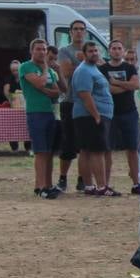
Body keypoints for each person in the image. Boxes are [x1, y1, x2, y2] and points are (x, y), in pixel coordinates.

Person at [71, 41, 116, 196]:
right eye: (90, 51)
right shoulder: (83, 70)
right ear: (84, 54)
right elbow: (85, 94)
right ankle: (101, 186)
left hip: (95, 115)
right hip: (90, 116)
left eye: (96, 50)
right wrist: (96, 115)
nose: (94, 53)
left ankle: (90, 186)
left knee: (87, 150)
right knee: (96, 151)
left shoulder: (93, 69)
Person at [20, 39, 63, 198]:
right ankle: (40, 186)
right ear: (32, 51)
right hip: (35, 112)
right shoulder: (26, 67)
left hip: (50, 112)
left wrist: (44, 88)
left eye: (44, 49)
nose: (42, 52)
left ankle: (48, 184)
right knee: (40, 150)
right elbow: (39, 83)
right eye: (38, 49)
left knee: (49, 151)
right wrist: (45, 70)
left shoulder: (52, 71)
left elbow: (57, 92)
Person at [100, 39, 140, 194]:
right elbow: (107, 89)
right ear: (109, 51)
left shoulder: (130, 67)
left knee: (132, 148)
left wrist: (116, 82)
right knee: (107, 149)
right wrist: (125, 85)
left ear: (123, 51)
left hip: (129, 112)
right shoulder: (102, 69)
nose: (116, 51)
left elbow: (136, 85)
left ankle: (136, 183)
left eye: (119, 48)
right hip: (109, 114)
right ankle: (105, 183)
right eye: (113, 48)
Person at [55, 18, 88, 191]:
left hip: (87, 102)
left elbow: (101, 68)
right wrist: (86, 62)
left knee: (84, 144)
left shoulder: (90, 50)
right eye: (75, 29)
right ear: (70, 32)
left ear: (85, 31)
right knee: (68, 143)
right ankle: (63, 178)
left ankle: (82, 179)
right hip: (69, 101)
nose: (78, 32)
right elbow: (66, 71)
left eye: (81, 29)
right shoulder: (64, 51)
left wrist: (87, 61)